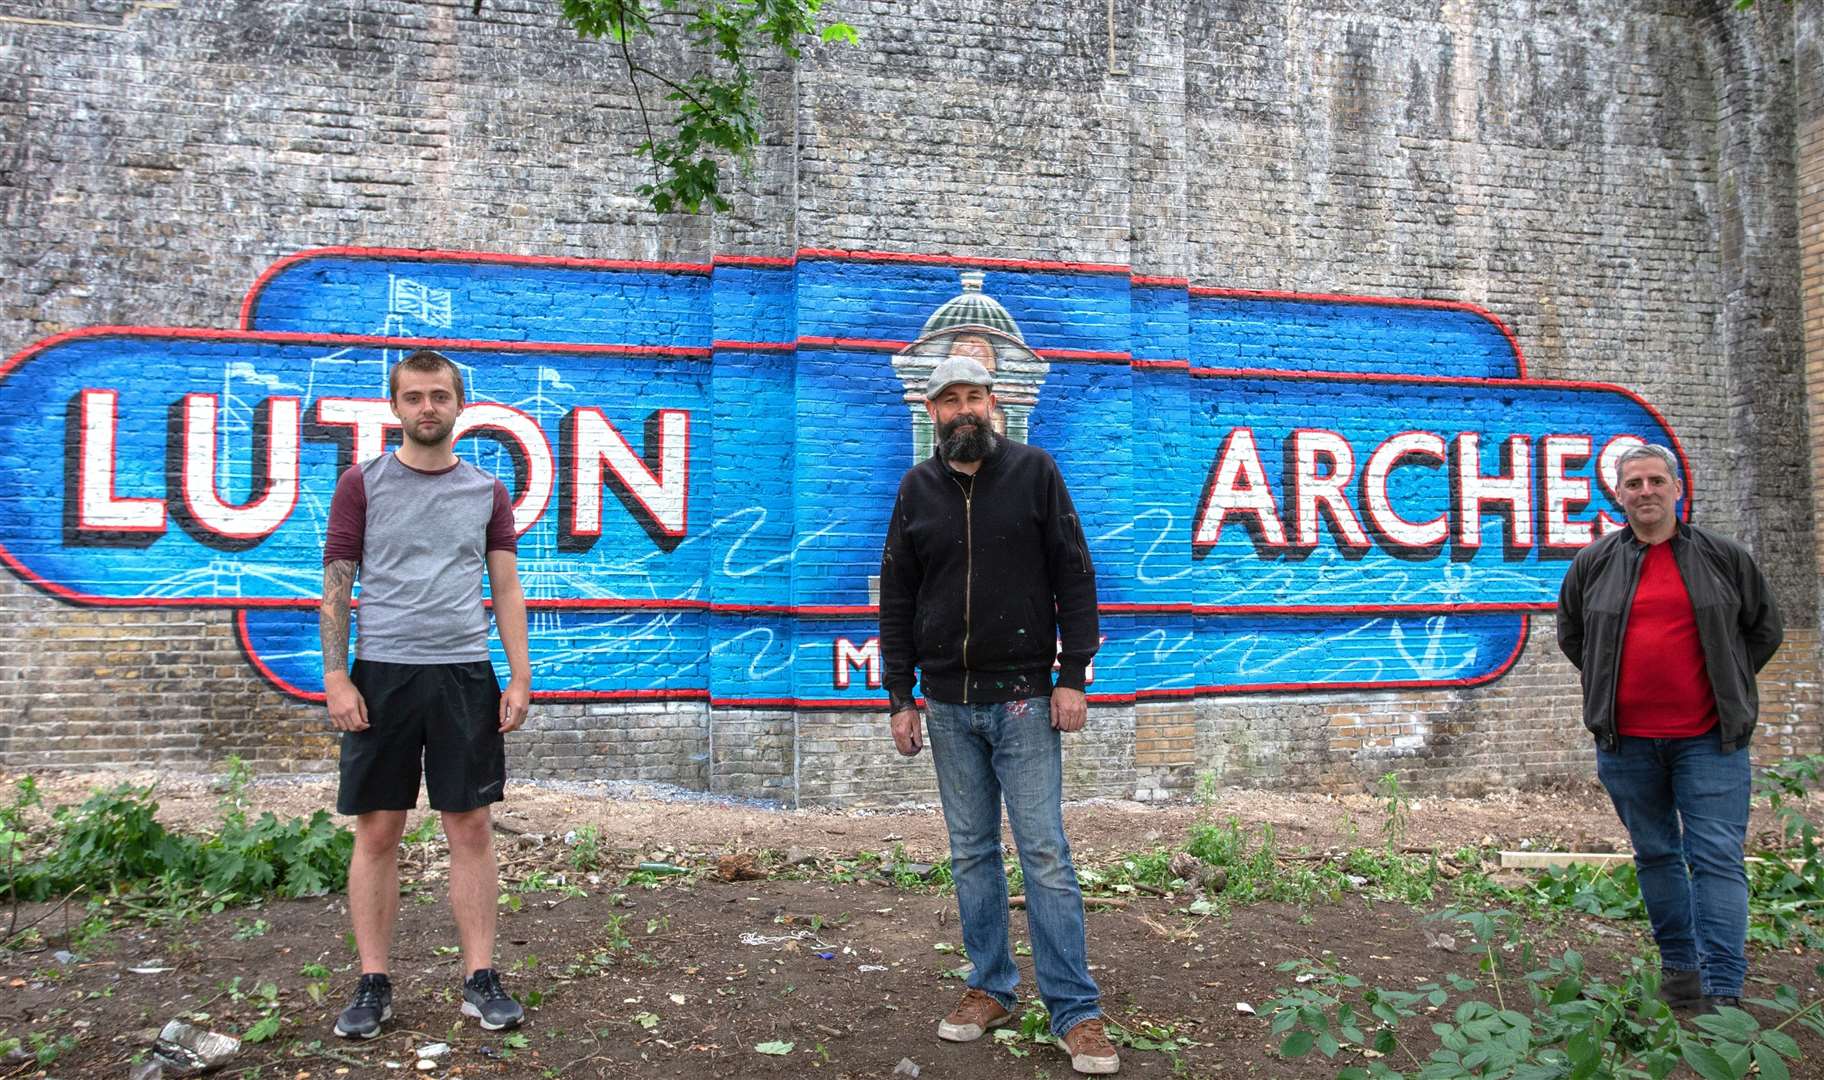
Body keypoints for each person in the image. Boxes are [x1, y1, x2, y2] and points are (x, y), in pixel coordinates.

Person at [878, 354, 1119, 1075]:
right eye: (948, 400)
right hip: (948, 704)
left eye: (973, 397)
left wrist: (1071, 676)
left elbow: (1074, 575)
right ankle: (991, 987)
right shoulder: (916, 489)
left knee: (1043, 852)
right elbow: (897, 596)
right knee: (972, 853)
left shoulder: (1035, 472)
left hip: (1024, 701)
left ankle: (1075, 1010)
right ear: (932, 414)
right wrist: (899, 695)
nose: (963, 411)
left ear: (993, 403)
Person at [319, 349, 532, 1039]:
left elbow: (504, 588)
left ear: (459, 405)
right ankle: (373, 982)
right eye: (414, 397)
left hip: (463, 673)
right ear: (397, 405)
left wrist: (520, 674)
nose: (427, 408)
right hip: (381, 674)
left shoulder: (486, 492)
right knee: (379, 830)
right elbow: (338, 584)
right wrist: (335, 675)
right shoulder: (363, 483)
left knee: (469, 827)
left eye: (439, 395)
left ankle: (479, 979)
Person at [1556, 443, 1782, 1015]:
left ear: (1678, 488)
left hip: (1710, 739)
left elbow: (1763, 630)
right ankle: (1681, 974)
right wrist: (1612, 686)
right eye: (1634, 483)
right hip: (1627, 743)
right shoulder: (1595, 563)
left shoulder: (1724, 558)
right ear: (1619, 494)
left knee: (1715, 858)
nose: (1646, 492)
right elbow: (1575, 636)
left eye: (1656, 480)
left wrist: (1726, 682)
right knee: (1655, 854)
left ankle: (1724, 986)